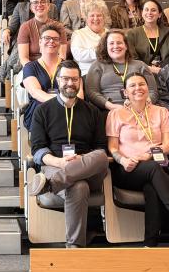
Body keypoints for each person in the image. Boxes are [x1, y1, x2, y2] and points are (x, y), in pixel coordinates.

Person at [106, 72, 169, 247]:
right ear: (125, 92)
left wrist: (147, 156)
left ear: (148, 88)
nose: (138, 88)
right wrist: (122, 160)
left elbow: (168, 146)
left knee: (152, 185)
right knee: (153, 172)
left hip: (157, 166)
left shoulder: (161, 112)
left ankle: (150, 245)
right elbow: (113, 148)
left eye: (141, 84)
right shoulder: (116, 114)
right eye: (132, 85)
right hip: (128, 169)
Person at [27, 60, 109, 248]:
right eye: (65, 79)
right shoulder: (42, 110)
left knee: (102, 156)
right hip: (54, 166)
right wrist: (60, 162)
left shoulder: (92, 111)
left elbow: (100, 148)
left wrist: (79, 160)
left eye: (74, 79)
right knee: (78, 188)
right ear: (57, 80)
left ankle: (51, 185)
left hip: (87, 169)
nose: (70, 83)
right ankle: (75, 248)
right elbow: (38, 150)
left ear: (80, 81)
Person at [85, 29, 159, 111]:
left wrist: (142, 106)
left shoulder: (140, 65)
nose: (116, 46)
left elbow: (153, 91)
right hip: (109, 111)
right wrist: (110, 106)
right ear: (106, 47)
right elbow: (92, 92)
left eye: (119, 43)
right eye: (111, 43)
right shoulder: (97, 65)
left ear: (126, 46)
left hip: (141, 110)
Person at [21, 23, 64, 130]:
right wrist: (62, 100)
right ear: (40, 42)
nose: (51, 41)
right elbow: (36, 93)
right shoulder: (29, 67)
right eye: (47, 38)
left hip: (65, 111)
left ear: (59, 43)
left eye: (55, 39)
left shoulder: (68, 66)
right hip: (40, 112)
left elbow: (79, 95)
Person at [17, 0, 66, 67]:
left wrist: (53, 70)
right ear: (31, 8)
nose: (39, 5)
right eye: (35, 2)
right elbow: (23, 58)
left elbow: (62, 56)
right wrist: (34, 70)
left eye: (43, 2)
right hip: (31, 67)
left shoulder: (59, 27)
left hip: (55, 67)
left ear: (48, 6)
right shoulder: (25, 27)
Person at [125, 0, 169, 74]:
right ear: (142, 13)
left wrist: (164, 71)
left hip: (168, 74)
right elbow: (132, 59)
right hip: (142, 74)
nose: (149, 13)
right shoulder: (132, 34)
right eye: (146, 10)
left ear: (160, 14)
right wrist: (149, 69)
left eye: (153, 10)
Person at [70, 2, 108, 76]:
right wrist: (102, 52)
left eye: (99, 15)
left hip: (110, 72)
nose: (96, 18)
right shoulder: (79, 34)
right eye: (92, 15)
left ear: (104, 17)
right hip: (88, 73)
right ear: (86, 18)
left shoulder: (109, 33)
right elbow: (78, 55)